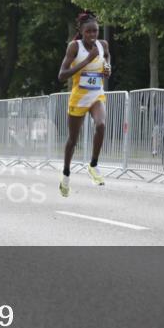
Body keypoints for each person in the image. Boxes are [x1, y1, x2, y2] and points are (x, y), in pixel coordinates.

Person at [57, 11, 111, 197]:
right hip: (79, 98)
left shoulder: (103, 45)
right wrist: (87, 60)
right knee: (73, 140)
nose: (92, 35)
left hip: (96, 95)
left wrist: (107, 68)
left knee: (101, 125)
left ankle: (93, 165)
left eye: (95, 31)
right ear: (81, 31)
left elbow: (107, 59)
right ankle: (66, 176)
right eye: (88, 32)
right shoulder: (74, 47)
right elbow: (62, 75)